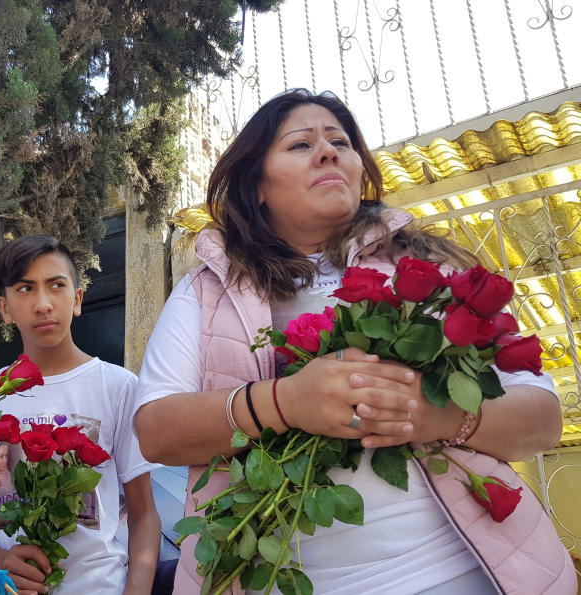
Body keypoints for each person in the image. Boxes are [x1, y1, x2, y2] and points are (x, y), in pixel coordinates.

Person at [135, 89, 576, 594]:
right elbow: (156, 431)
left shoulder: (431, 267)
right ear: (257, 185)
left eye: (340, 142)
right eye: (301, 144)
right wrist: (284, 402)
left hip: (462, 574)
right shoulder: (209, 290)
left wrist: (432, 415)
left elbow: (542, 421)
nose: (328, 152)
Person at [0, 235, 162, 595]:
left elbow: (144, 514)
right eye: (25, 289)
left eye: (56, 286)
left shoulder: (118, 387)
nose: (43, 303)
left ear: (77, 299)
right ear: (5, 308)